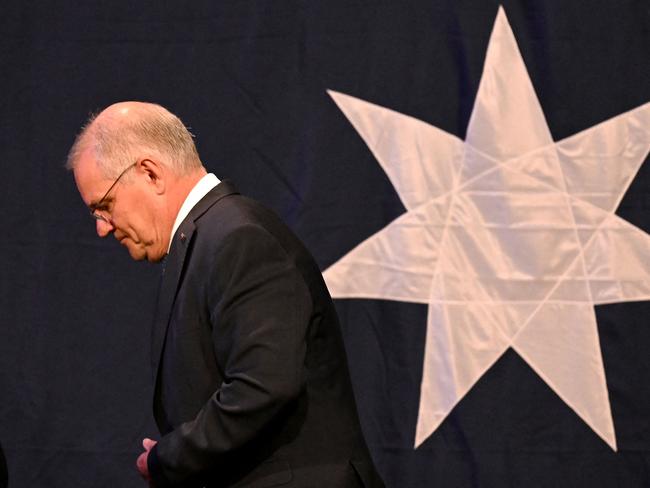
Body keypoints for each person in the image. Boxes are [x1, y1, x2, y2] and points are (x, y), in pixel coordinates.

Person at [68, 102, 384, 488]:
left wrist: (168, 457)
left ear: (149, 173)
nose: (103, 228)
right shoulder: (208, 240)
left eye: (104, 206)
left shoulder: (237, 238)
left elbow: (262, 387)